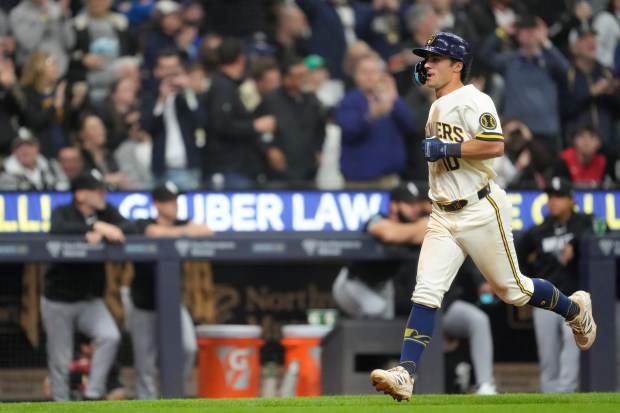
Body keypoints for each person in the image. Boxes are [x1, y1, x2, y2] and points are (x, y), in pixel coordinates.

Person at [369, 32, 597, 402]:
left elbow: (495, 145)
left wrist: (448, 146)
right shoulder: (437, 103)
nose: (426, 64)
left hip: (479, 209)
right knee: (426, 290)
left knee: (514, 291)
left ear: (457, 66)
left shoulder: (474, 98)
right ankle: (405, 373)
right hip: (442, 213)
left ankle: (575, 309)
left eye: (435, 59)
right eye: (425, 58)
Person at [333, 181, 498, 395]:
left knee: (385, 313)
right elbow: (389, 234)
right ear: (394, 206)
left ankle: (486, 385)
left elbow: (421, 233)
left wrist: (418, 229)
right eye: (408, 203)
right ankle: (367, 377)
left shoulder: (426, 222)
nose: (414, 208)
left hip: (383, 287)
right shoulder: (377, 218)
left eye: (415, 203)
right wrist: (418, 229)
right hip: (352, 283)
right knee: (377, 311)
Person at [41, 169, 137, 401]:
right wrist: (92, 228)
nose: (102, 194)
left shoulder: (106, 212)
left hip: (89, 300)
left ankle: (92, 397)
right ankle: (62, 404)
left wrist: (103, 228)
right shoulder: (63, 212)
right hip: (58, 299)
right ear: (81, 194)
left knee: (110, 336)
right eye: (97, 190)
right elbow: (58, 230)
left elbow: (131, 227)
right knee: (60, 360)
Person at [129, 181, 214, 399]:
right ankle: (147, 403)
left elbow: (207, 230)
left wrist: (178, 230)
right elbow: (152, 232)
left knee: (188, 348)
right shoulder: (142, 221)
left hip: (173, 301)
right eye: (168, 201)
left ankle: (172, 393)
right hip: (143, 301)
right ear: (157, 204)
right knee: (145, 360)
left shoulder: (180, 222)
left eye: (176, 200)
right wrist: (183, 232)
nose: (174, 205)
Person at [517, 177, 598, 393]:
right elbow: (518, 256)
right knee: (548, 354)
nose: (553, 201)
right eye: (550, 197)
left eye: (559, 197)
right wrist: (527, 287)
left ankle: (566, 393)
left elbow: (601, 230)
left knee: (571, 347)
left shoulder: (584, 222)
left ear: (571, 200)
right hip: (545, 299)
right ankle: (551, 397)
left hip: (574, 298)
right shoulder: (538, 230)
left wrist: (576, 242)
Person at [335, 53, 415, 189]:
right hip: (358, 182)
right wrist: (370, 115)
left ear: (381, 74)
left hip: (389, 178)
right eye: (364, 72)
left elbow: (409, 125)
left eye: (373, 72)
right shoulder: (348, 101)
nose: (369, 76)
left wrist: (395, 99)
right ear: (355, 76)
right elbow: (349, 130)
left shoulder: (390, 98)